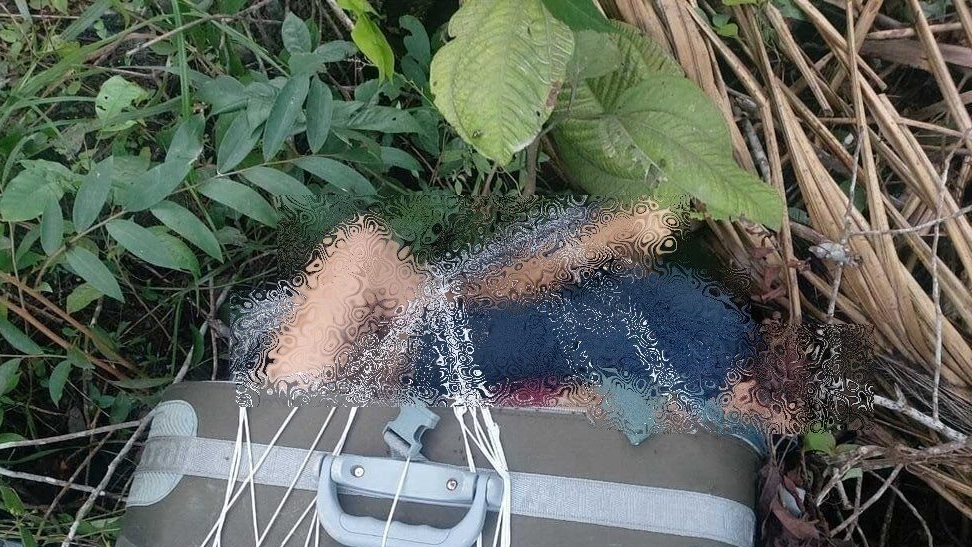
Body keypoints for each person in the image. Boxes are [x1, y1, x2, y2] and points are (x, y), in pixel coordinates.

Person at [260, 198, 770, 450]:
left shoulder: (714, 371)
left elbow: (596, 409)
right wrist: (606, 243)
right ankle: (272, 423)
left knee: (361, 255)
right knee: (363, 254)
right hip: (461, 334)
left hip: (467, 370)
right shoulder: (708, 327)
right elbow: (506, 286)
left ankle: (265, 433)